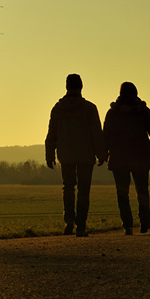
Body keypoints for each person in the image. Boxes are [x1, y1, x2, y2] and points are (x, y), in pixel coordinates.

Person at [103, 82, 150, 235]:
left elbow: (106, 136)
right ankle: (144, 222)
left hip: (118, 157)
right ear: (136, 93)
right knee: (142, 191)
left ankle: (127, 225)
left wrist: (103, 154)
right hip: (140, 156)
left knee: (122, 193)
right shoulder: (143, 111)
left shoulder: (112, 113)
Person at [45, 74, 107, 237]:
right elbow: (96, 133)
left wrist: (49, 154)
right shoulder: (89, 108)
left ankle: (69, 221)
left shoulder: (58, 108)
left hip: (66, 154)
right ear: (81, 87)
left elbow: (52, 133)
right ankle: (81, 226)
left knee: (68, 188)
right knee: (84, 190)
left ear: (66, 87)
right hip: (86, 155)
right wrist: (102, 154)